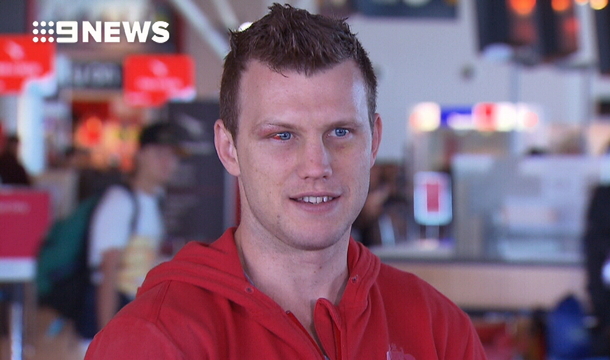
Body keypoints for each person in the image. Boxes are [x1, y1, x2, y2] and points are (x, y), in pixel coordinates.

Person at [86, 4, 486, 359]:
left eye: (341, 132)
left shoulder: (436, 329)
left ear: (375, 140)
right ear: (228, 148)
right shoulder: (155, 341)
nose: (316, 165)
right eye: (282, 135)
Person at [78, 122, 181, 346]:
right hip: (110, 321)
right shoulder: (120, 201)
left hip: (134, 319)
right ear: (141, 155)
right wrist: (108, 339)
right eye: (160, 154)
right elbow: (108, 273)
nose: (168, 163)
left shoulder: (156, 199)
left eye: (173, 156)